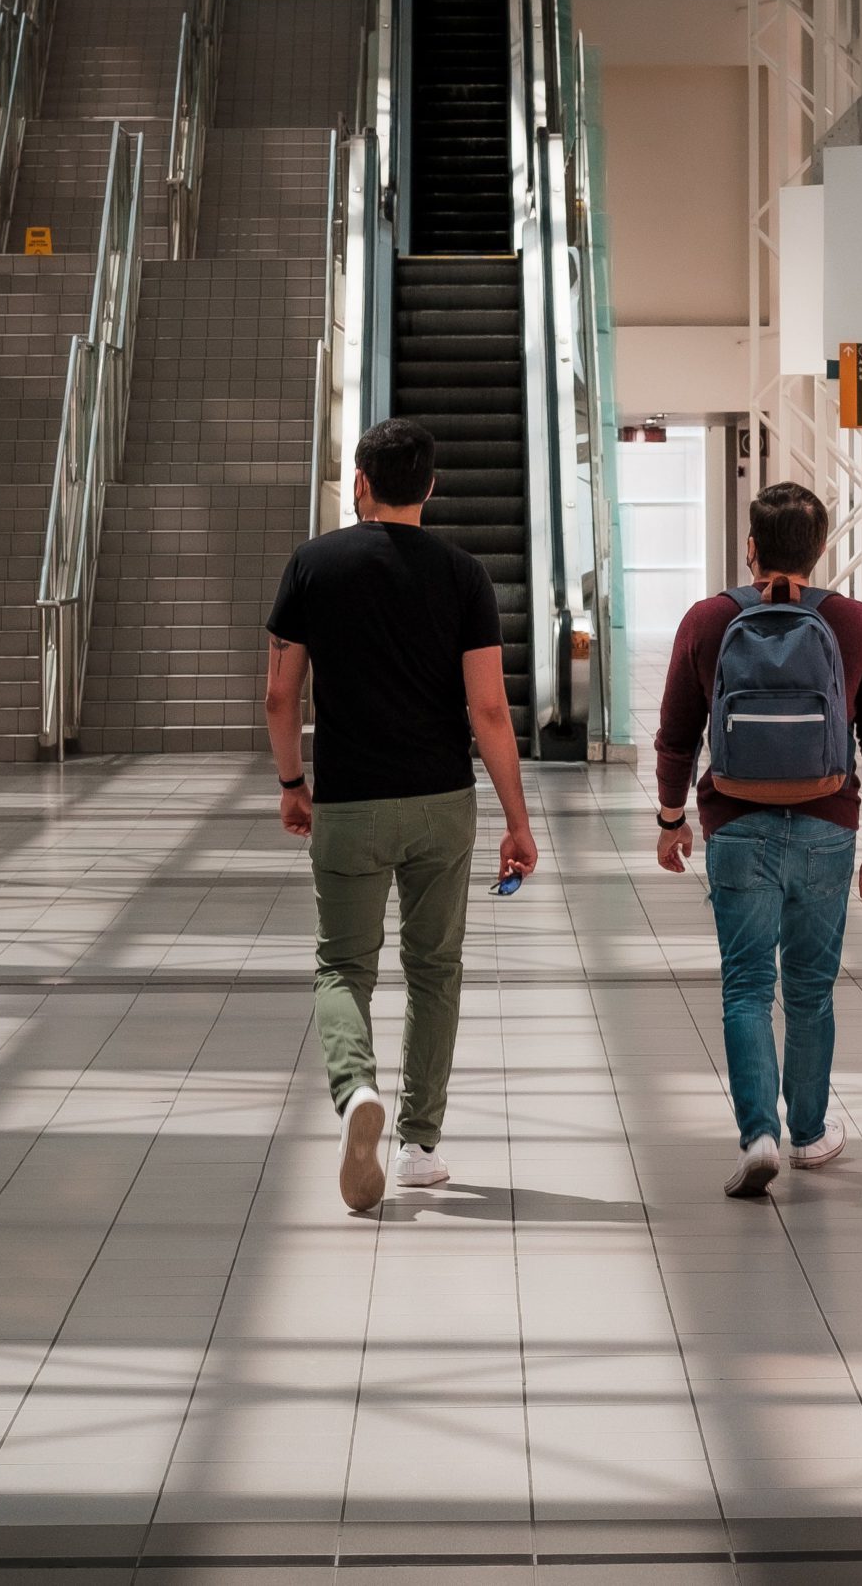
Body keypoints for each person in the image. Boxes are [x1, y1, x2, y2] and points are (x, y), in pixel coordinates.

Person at [264, 418, 539, 1213]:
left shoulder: (312, 565)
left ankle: (356, 1090)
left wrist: (291, 782)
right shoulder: (465, 575)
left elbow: (280, 694)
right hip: (440, 804)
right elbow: (489, 709)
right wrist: (517, 820)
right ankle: (419, 1146)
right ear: (431, 488)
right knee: (434, 968)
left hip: (348, 801)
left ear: (360, 483)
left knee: (342, 967)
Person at [652, 482, 862, 1199]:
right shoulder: (856, 624)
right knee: (811, 989)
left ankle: (758, 1134)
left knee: (747, 987)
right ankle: (811, 1133)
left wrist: (671, 820)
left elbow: (675, 735)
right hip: (828, 826)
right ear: (820, 550)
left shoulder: (708, 619)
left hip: (736, 825)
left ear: (751, 548)